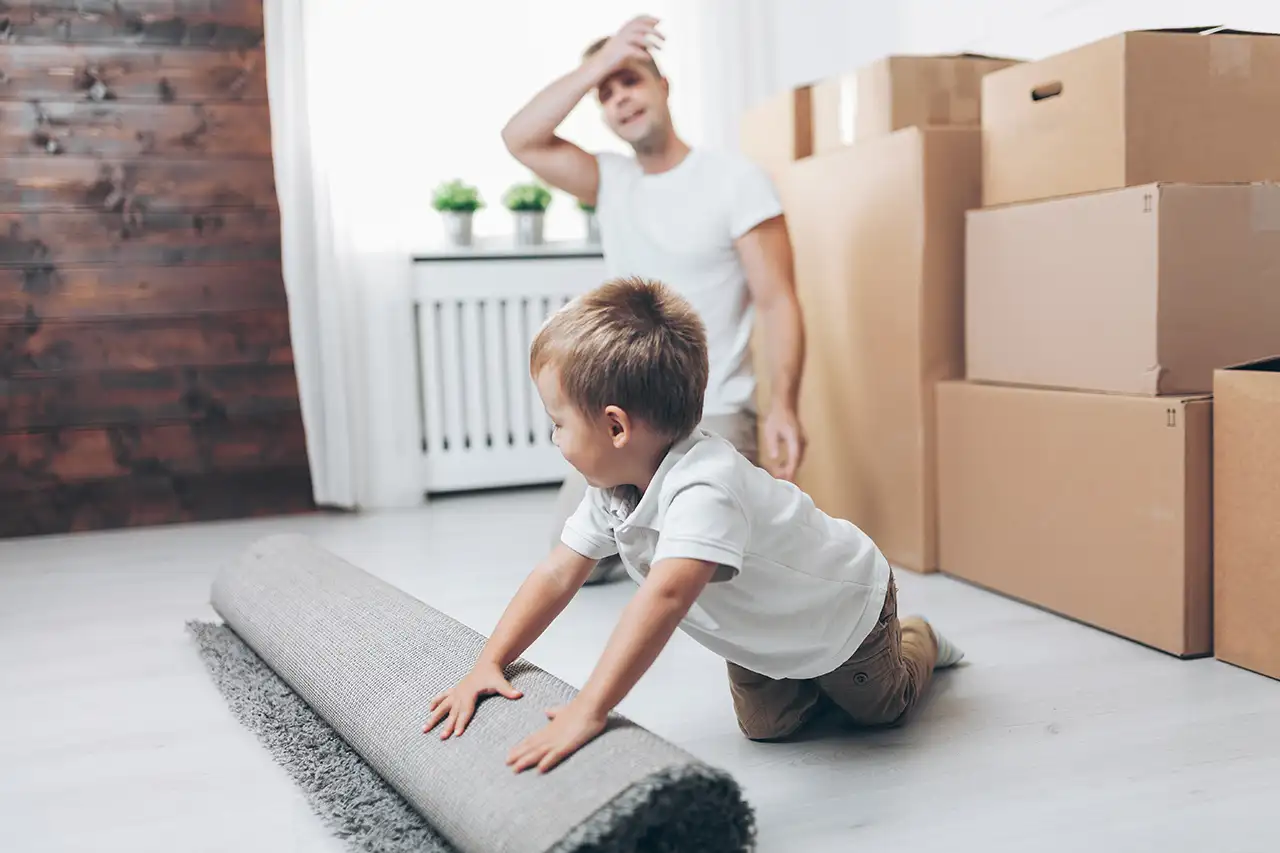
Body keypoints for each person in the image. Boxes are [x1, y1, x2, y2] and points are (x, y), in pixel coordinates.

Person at [423, 277, 964, 775]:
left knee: (881, 712)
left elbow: (665, 597)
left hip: (843, 615)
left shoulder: (706, 486)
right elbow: (557, 574)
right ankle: (812, 680)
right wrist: (489, 662)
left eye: (557, 424)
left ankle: (917, 637)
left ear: (616, 426)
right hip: (761, 636)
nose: (554, 439)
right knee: (769, 730)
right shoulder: (611, 492)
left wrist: (589, 709)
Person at [500, 15, 807, 583]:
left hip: (712, 407)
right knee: (576, 562)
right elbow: (519, 137)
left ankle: (662, 532)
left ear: (664, 87)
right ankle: (644, 533)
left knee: (707, 565)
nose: (620, 98)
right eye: (606, 92)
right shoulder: (610, 180)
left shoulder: (736, 180)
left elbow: (777, 301)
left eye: (632, 80)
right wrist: (601, 60)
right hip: (625, 411)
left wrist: (783, 404)